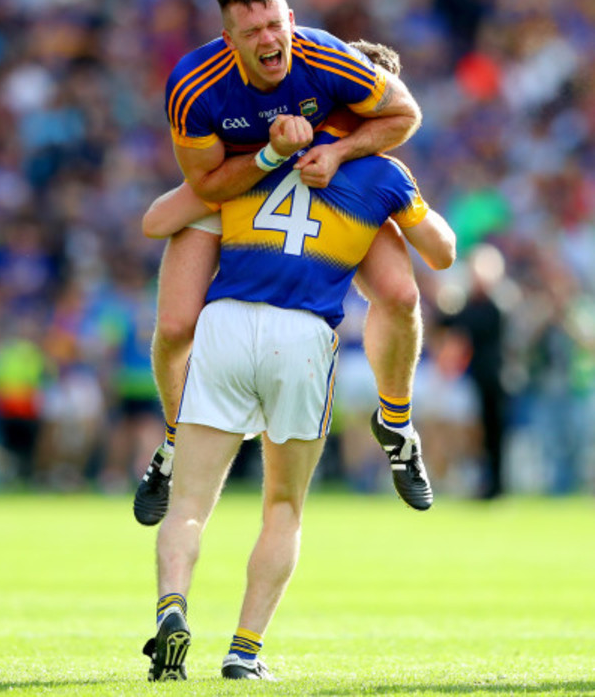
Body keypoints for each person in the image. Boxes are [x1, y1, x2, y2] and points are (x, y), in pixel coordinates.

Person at [140, 85, 456, 680]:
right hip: (304, 338)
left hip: (226, 323)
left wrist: (248, 169)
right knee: (282, 506)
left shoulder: (252, 149)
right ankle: (244, 652)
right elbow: (442, 254)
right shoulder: (383, 173)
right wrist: (402, 205)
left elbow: (156, 220)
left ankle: (171, 609)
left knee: (188, 504)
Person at [134, 0, 425, 525]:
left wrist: (339, 155)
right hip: (236, 184)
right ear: (230, 41)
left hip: (321, 183)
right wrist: (269, 157)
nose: (269, 40)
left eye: (275, 26)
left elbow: (404, 114)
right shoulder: (194, 83)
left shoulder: (330, 59)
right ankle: (173, 446)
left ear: (290, 20)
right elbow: (198, 189)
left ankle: (397, 422)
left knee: (401, 294)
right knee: (174, 327)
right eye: (252, 32)